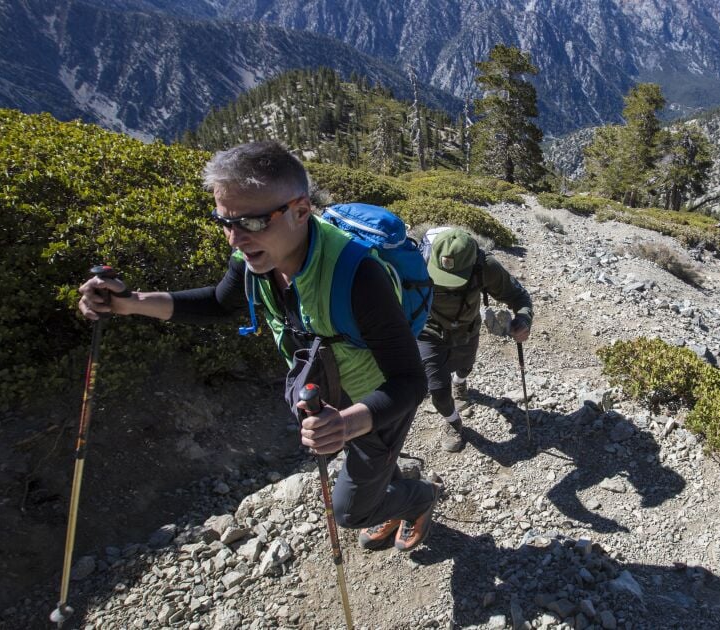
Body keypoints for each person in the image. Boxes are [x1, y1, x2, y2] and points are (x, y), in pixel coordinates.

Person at [77, 141, 440, 552]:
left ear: (301, 211)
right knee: (370, 470)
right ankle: (388, 490)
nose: (235, 239)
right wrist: (130, 303)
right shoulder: (256, 259)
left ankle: (419, 499)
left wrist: (347, 423)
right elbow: (218, 303)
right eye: (225, 222)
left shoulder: (360, 277)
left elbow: (410, 382)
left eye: (250, 222)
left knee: (350, 512)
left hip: (376, 402)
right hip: (330, 394)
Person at [419, 228, 534, 453]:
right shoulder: (417, 264)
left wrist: (523, 319)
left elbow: (519, 296)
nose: (450, 284)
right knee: (437, 389)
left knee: (465, 366)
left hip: (467, 327)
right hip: (428, 330)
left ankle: (460, 383)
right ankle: (454, 423)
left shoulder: (486, 266)